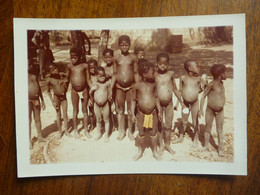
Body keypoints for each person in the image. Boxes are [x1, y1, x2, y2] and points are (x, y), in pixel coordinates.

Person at [154, 53, 185, 156]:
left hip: (169, 104)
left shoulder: (171, 74)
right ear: (156, 63)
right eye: (160, 63)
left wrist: (181, 102)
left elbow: (175, 89)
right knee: (159, 124)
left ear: (168, 64)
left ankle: (167, 144)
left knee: (168, 125)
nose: (162, 66)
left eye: (165, 64)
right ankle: (161, 145)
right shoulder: (154, 75)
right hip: (158, 105)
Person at [131, 60, 162, 161]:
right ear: (144, 74)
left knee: (153, 132)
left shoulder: (154, 84)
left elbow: (156, 97)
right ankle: (140, 151)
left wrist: (160, 110)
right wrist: (132, 113)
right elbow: (133, 100)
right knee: (141, 133)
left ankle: (155, 152)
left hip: (153, 113)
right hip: (141, 113)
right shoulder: (136, 86)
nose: (154, 74)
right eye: (152, 73)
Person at [111, 35, 138, 141]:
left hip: (131, 88)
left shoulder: (133, 57)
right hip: (119, 88)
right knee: (120, 110)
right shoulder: (116, 58)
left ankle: (130, 131)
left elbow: (135, 73)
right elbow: (114, 73)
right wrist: (111, 89)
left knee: (131, 110)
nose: (124, 46)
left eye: (127, 44)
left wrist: (138, 86)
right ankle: (121, 131)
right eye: (122, 44)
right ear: (119, 45)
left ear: (130, 45)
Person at [173, 60, 205, 147]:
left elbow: (199, 90)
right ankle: (181, 136)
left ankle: (195, 137)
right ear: (190, 68)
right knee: (184, 120)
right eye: (197, 66)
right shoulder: (182, 78)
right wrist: (177, 104)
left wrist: (204, 86)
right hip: (185, 103)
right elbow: (180, 91)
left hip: (195, 103)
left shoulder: (198, 79)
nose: (199, 68)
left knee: (195, 121)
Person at [198, 64, 226, 156]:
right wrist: (201, 109)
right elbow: (203, 96)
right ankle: (206, 146)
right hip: (210, 111)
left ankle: (220, 149)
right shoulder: (211, 84)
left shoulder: (222, 83)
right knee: (207, 128)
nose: (226, 74)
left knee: (220, 130)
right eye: (225, 72)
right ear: (220, 74)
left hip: (220, 112)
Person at [67, 47, 92, 139]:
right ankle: (76, 130)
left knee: (85, 111)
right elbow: (67, 79)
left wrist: (92, 90)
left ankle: (86, 130)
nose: (73, 58)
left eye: (75, 57)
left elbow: (88, 79)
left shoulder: (85, 66)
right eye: (71, 57)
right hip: (74, 91)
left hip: (84, 90)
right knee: (75, 111)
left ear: (79, 56)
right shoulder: (69, 66)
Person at [46, 64, 71, 138]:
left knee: (65, 114)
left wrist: (65, 82)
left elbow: (67, 81)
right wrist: (52, 101)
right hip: (56, 98)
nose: (55, 70)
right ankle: (60, 131)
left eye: (56, 68)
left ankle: (66, 131)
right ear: (50, 72)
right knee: (58, 114)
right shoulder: (49, 80)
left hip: (64, 98)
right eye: (53, 70)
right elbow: (48, 91)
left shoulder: (62, 76)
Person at [89, 66, 112, 142]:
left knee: (106, 119)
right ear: (95, 76)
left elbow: (110, 93)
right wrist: (92, 90)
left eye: (104, 75)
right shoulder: (94, 83)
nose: (102, 77)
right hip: (96, 105)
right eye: (100, 76)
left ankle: (106, 135)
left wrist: (112, 104)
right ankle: (98, 133)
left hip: (105, 104)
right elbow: (90, 94)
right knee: (98, 119)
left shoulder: (107, 83)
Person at [28, 59, 46, 149]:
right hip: (27, 101)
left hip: (36, 99)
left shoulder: (34, 75)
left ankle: (40, 136)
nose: (31, 66)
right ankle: (28, 140)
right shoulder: (21, 76)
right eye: (29, 65)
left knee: (37, 118)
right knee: (28, 120)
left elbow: (38, 87)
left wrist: (42, 100)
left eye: (31, 65)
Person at [88, 59, 98, 132]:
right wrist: (88, 98)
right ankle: (92, 124)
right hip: (90, 96)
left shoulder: (99, 75)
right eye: (90, 68)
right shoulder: (88, 77)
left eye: (94, 67)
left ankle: (100, 124)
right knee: (91, 112)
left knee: (99, 111)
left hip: (99, 96)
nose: (92, 69)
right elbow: (85, 88)